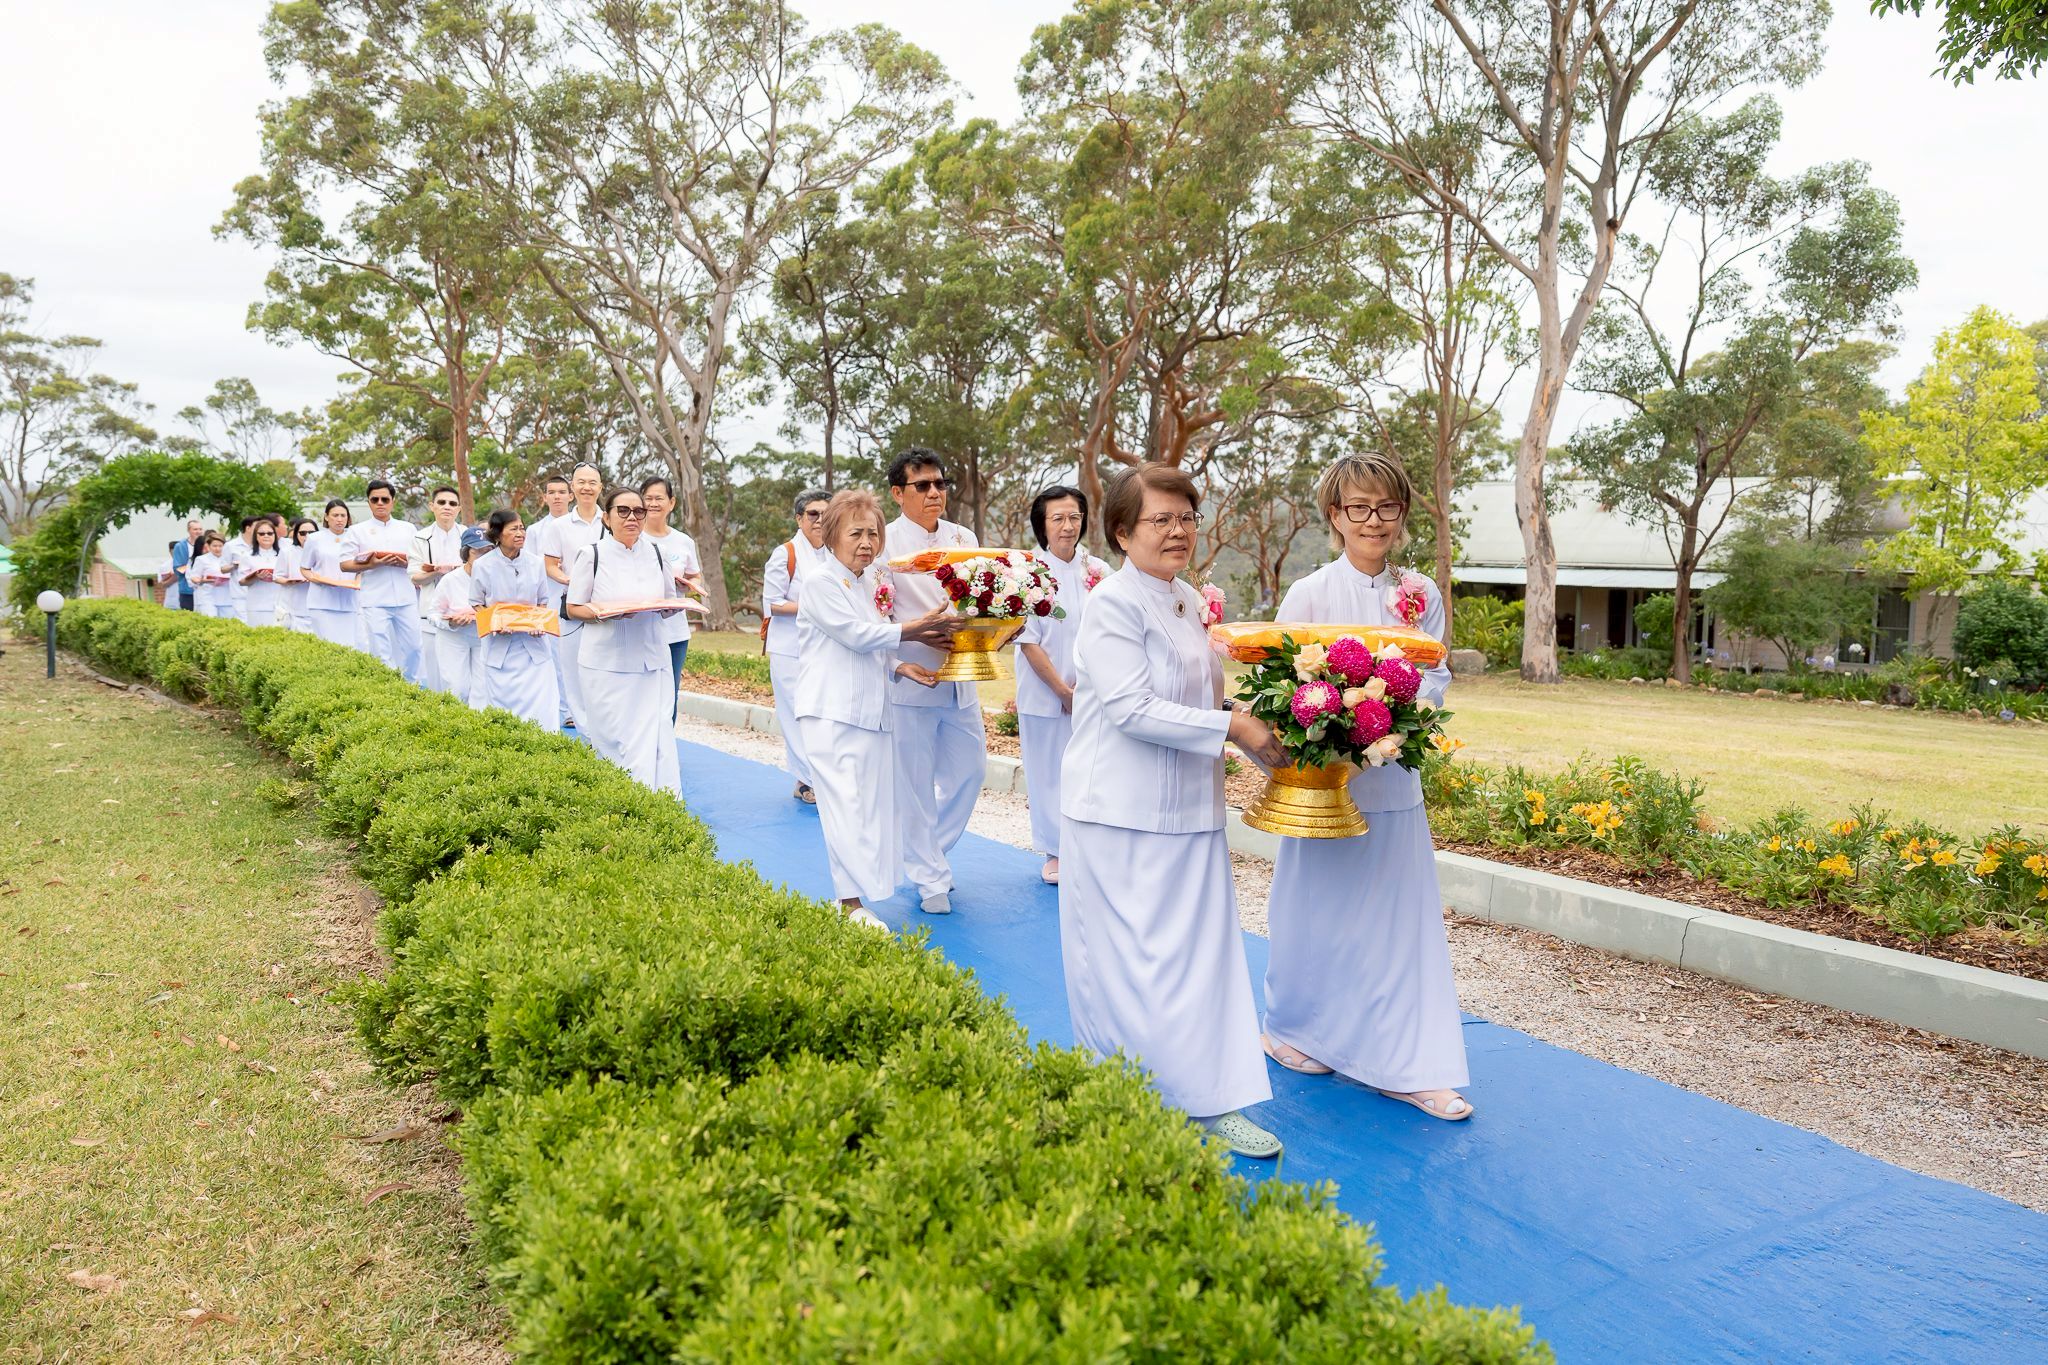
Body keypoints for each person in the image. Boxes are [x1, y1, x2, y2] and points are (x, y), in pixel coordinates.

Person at [1057, 463, 1288, 1160]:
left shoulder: (1188, 600)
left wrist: (1261, 736)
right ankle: (1124, 1098)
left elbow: (1199, 699)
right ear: (1123, 532)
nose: (1178, 529)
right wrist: (1234, 730)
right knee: (1128, 966)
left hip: (1190, 809)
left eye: (1186, 515)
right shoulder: (1113, 604)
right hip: (1117, 813)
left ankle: (1213, 1100)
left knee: (1200, 962)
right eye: (1161, 519)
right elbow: (1128, 707)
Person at [1259, 452, 1471, 1122]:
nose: (1372, 519)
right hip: (1325, 785)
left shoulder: (1421, 594)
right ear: (1335, 516)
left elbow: (1432, 682)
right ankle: (1293, 1026)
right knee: (1314, 907)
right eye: (1359, 507)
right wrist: (1336, 734)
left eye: (1385, 506)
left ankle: (1406, 1064)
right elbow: (1281, 694)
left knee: (1396, 922)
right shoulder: (1310, 592)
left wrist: (1384, 726)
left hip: (1395, 779)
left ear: (1402, 513)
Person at [794, 490, 960, 929]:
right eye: (856, 533)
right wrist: (916, 629)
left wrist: (901, 663)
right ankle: (848, 904)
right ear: (832, 536)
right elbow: (855, 634)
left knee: (869, 808)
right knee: (843, 807)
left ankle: (858, 900)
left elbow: (875, 641)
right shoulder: (820, 583)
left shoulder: (869, 581)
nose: (867, 542)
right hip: (831, 712)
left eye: (873, 533)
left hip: (872, 711)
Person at [881, 448, 986, 915]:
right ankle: (929, 878)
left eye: (940, 484)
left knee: (970, 772)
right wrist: (900, 654)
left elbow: (981, 596)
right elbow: (874, 611)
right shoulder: (881, 543)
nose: (934, 493)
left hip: (962, 674)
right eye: (922, 485)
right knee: (914, 784)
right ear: (898, 493)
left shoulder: (964, 536)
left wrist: (995, 625)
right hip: (911, 678)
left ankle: (927, 855)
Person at [1016, 484, 1111, 885]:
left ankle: (1090, 850)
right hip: (1044, 692)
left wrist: (1088, 689)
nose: (1068, 526)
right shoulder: (1025, 572)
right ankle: (1055, 853)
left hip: (1093, 694)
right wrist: (1062, 691)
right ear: (1042, 524)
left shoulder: (1099, 571)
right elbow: (1028, 641)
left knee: (1092, 772)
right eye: (1058, 518)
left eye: (1074, 517)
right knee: (1048, 773)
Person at [565, 485, 687, 793]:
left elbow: (668, 605)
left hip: (652, 661)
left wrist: (677, 604)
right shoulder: (591, 554)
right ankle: (619, 808)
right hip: (607, 663)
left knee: (656, 737)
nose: (632, 517)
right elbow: (573, 607)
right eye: (623, 511)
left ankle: (660, 807)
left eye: (639, 511)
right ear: (607, 517)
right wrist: (605, 613)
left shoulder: (658, 554)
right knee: (614, 740)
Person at [762, 487, 832, 804]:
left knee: (822, 715)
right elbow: (774, 604)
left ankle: (819, 777)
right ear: (799, 518)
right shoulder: (785, 554)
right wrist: (813, 605)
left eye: (824, 513)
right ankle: (807, 781)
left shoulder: (835, 553)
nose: (819, 520)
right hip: (790, 649)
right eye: (812, 514)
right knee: (795, 715)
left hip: (827, 649)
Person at [470, 508, 558, 728]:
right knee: (503, 710)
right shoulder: (483, 565)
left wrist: (539, 622)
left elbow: (543, 600)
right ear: (498, 534)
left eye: (522, 528)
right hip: (500, 646)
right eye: (513, 529)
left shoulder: (535, 563)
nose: (520, 533)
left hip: (533, 645)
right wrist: (494, 623)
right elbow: (476, 603)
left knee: (541, 706)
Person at [340, 479, 423, 678]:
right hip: (375, 599)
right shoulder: (356, 531)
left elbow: (419, 560)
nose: (380, 503)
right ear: (368, 502)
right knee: (380, 650)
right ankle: (387, 688)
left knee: (414, 647)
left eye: (384, 499)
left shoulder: (408, 528)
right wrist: (373, 564)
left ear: (392, 501)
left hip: (406, 597)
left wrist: (403, 562)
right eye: (374, 499)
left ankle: (412, 686)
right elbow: (344, 564)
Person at [543, 464, 605, 728]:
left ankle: (604, 727)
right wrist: (570, 580)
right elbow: (550, 565)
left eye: (592, 482)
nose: (587, 487)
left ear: (600, 488)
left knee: (602, 669)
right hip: (572, 606)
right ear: (573, 488)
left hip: (605, 607)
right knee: (572, 670)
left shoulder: (611, 521)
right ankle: (585, 731)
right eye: (581, 482)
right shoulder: (559, 526)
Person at [639, 475, 704, 720]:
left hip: (675, 631)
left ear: (671, 503)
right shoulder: (634, 538)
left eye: (659, 498)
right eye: (648, 498)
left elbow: (695, 577)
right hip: (641, 627)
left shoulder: (683, 541)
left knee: (670, 694)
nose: (653, 504)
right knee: (642, 692)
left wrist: (687, 586)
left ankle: (664, 751)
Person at [409, 484, 468, 693]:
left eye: (452, 504)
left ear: (459, 509)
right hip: (430, 615)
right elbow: (415, 576)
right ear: (432, 506)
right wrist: (437, 571)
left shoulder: (468, 536)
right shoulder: (420, 537)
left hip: (465, 616)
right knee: (435, 676)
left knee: (464, 680)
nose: (447, 507)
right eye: (442, 503)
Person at [529, 473, 574, 725]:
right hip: (547, 602)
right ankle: (562, 710)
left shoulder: (581, 525)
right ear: (544, 498)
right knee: (553, 657)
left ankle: (576, 709)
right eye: (552, 492)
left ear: (570, 496)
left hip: (576, 600)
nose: (557, 496)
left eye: (561, 492)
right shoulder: (535, 531)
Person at [430, 527, 490, 707]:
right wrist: (452, 623)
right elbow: (433, 614)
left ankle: (479, 731)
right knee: (457, 688)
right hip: (453, 639)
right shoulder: (450, 580)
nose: (482, 557)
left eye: (487, 551)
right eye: (477, 551)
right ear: (466, 553)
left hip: (482, 637)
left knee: (483, 689)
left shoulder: (493, 577)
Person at [302, 499, 361, 647]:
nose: (339, 519)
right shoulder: (315, 539)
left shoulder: (355, 536)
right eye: (335, 515)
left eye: (343, 515)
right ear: (326, 517)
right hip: (322, 601)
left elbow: (362, 566)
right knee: (327, 646)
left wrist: (358, 581)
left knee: (350, 646)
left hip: (349, 601)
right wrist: (317, 579)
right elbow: (304, 568)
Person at [238, 518, 284, 626]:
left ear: (275, 535)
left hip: (280, 605)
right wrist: (256, 577)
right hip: (257, 605)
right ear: (256, 536)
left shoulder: (283, 555)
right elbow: (241, 582)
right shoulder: (247, 556)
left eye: (269, 533)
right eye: (262, 533)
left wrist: (277, 577)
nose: (266, 536)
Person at [279, 518, 318, 633]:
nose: (307, 536)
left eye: (312, 533)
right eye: (302, 533)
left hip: (319, 602)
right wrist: (288, 581)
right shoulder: (287, 552)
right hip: (295, 605)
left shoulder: (323, 551)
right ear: (296, 534)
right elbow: (277, 576)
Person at [188, 533, 231, 617]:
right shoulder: (202, 559)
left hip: (226, 597)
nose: (217, 548)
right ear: (208, 546)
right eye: (214, 546)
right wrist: (202, 581)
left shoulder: (229, 559)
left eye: (220, 546)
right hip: (208, 597)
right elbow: (194, 577)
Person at [168, 520, 203, 611]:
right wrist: (191, 568)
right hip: (188, 590)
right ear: (189, 530)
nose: (198, 531)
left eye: (200, 529)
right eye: (195, 529)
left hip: (205, 589)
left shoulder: (206, 544)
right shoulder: (180, 546)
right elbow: (177, 569)